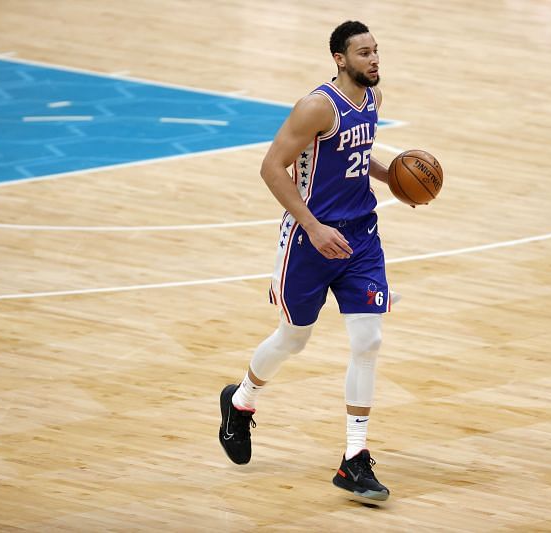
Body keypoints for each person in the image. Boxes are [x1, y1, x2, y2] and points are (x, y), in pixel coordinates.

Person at [219, 20, 393, 501]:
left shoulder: (374, 100)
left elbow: (357, 155)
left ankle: (354, 458)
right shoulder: (317, 106)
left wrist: (393, 177)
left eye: (376, 51)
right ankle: (241, 401)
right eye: (363, 54)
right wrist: (313, 227)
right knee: (293, 339)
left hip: (360, 236)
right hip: (309, 240)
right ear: (340, 59)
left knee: (368, 339)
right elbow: (271, 167)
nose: (374, 60)